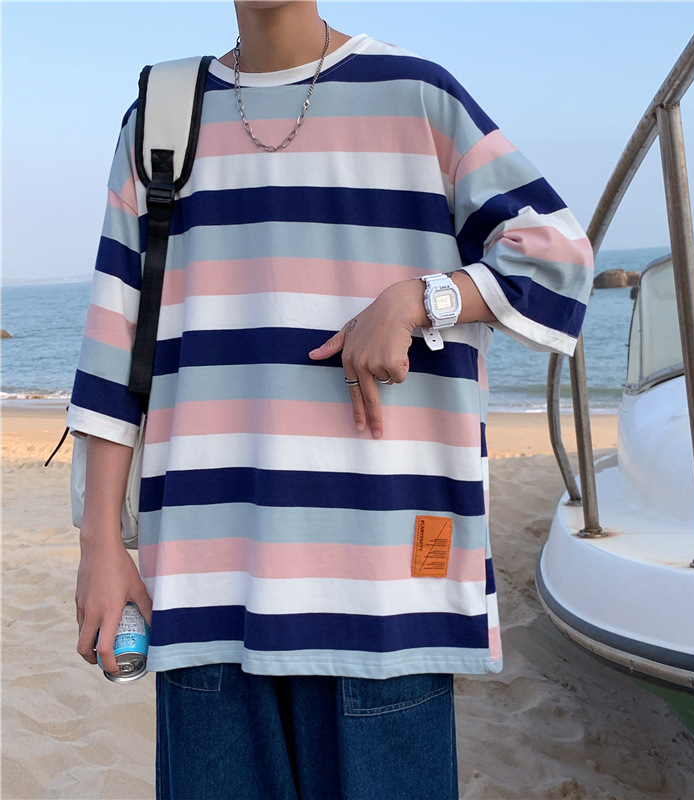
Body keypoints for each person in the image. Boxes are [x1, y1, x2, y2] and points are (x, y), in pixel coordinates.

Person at [69, 2, 593, 798]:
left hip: (384, 586)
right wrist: (100, 547)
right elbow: (114, 342)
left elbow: (558, 258)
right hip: (207, 582)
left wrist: (421, 299)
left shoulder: (418, 94)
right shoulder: (161, 117)